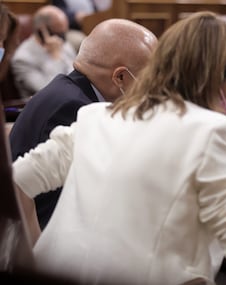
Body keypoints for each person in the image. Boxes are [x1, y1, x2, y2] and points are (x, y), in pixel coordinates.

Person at [13, 11, 226, 284]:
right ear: (212, 81)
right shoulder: (215, 132)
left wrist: (33, 259)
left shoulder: (97, 114)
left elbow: (15, 180)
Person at [9, 18, 157, 230]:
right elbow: (55, 206)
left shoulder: (69, 90)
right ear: (120, 77)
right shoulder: (76, 109)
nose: (151, 91)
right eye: (149, 80)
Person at [11, 5, 76, 98]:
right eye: (59, 33)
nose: (62, 39)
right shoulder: (22, 59)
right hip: (48, 107)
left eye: (64, 33)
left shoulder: (62, 43)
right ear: (42, 30)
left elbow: (75, 74)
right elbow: (50, 90)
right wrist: (55, 58)